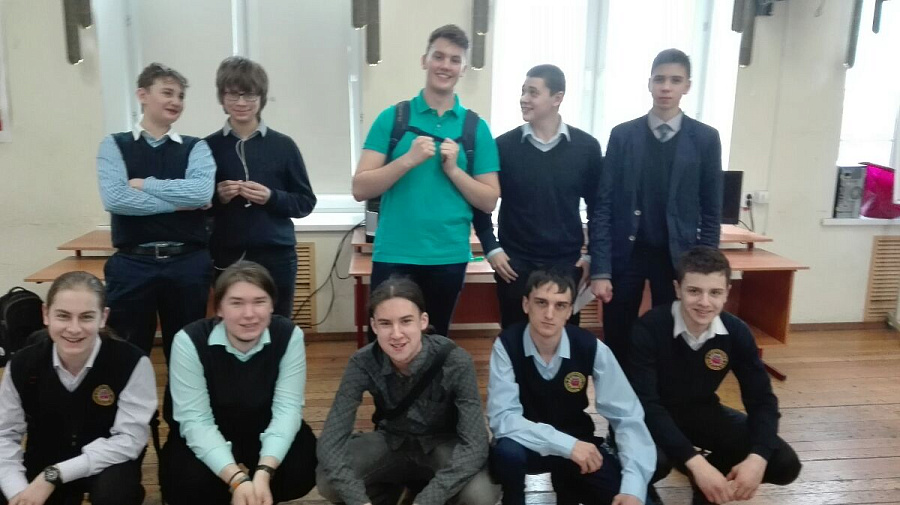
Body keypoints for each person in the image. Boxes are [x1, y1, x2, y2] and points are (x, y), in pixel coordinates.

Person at [352, 24, 500, 339]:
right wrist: (407, 159)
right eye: (439, 56)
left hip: (448, 257)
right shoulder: (393, 119)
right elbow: (360, 188)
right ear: (424, 61)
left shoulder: (476, 128)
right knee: (387, 343)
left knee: (434, 343)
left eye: (455, 60)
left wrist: (454, 171)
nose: (445, 65)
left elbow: (489, 200)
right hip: (394, 254)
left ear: (462, 69)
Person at [625, 247, 801, 504]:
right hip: (649, 418)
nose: (704, 302)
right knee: (656, 461)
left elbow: (762, 400)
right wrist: (694, 461)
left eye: (715, 292)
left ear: (727, 292)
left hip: (701, 411)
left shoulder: (736, 332)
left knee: (784, 462)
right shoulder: (649, 328)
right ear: (677, 289)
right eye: (694, 291)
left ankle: (709, 481)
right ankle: (676, 479)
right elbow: (647, 405)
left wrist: (758, 458)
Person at [589, 49, 723, 362]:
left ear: (687, 86)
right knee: (618, 332)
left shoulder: (705, 138)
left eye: (675, 80)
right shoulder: (623, 135)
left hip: (677, 257)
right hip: (627, 256)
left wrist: (706, 269)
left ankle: (664, 391)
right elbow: (603, 206)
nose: (666, 87)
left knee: (672, 335)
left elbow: (711, 210)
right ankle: (619, 391)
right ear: (649, 83)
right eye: (659, 79)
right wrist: (600, 269)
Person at [316, 276, 499, 505]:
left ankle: (429, 492)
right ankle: (388, 494)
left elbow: (475, 444)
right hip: (391, 441)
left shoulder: (455, 360)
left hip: (442, 445)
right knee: (328, 481)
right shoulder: (362, 362)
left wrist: (427, 500)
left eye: (406, 321)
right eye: (385, 323)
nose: (396, 334)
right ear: (374, 326)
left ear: (423, 321)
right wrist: (358, 501)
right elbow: (331, 440)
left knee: (480, 495)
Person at [488, 269, 656, 505]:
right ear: (526, 304)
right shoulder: (507, 344)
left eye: (560, 305)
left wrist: (633, 487)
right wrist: (566, 445)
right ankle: (513, 498)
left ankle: (571, 489)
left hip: (579, 442)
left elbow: (627, 416)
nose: (549, 314)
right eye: (541, 303)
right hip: (527, 443)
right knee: (507, 453)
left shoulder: (590, 346)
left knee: (634, 500)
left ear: (569, 311)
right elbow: (503, 418)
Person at [159, 261, 317, 505]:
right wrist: (237, 479)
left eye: (259, 301)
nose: (249, 314)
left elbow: (288, 410)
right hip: (211, 426)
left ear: (272, 305)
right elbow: (196, 421)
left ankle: (260, 496)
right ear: (219, 308)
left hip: (263, 424)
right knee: (186, 482)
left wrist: (265, 472)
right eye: (236, 303)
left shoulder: (288, 335)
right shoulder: (189, 340)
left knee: (301, 468)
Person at [0, 271, 157, 505]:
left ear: (103, 318)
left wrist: (55, 475)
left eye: (86, 317)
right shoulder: (22, 364)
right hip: (42, 459)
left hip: (105, 463)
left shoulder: (132, 362)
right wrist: (18, 495)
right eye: (63, 316)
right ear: (46, 314)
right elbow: (5, 435)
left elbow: (130, 439)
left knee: (116, 493)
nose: (74, 329)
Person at [97, 62, 215, 361]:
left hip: (187, 263)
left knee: (187, 352)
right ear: (142, 95)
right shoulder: (114, 145)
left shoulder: (196, 147)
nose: (176, 101)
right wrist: (180, 204)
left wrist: (143, 184)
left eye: (180, 96)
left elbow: (201, 193)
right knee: (126, 351)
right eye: (167, 93)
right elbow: (116, 199)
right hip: (132, 264)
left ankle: (181, 397)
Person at [473, 64, 602, 328]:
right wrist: (491, 247)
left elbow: (598, 207)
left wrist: (591, 255)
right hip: (514, 265)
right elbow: (481, 201)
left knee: (563, 338)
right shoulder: (503, 147)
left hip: (566, 264)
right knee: (514, 336)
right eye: (523, 91)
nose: (524, 99)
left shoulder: (586, 148)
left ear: (557, 98)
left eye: (533, 92)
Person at [206, 56, 317, 319]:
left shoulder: (284, 146)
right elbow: (196, 206)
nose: (241, 102)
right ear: (222, 98)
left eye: (249, 95)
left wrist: (271, 197)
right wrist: (218, 196)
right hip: (226, 255)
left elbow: (305, 203)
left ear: (261, 98)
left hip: (276, 255)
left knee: (278, 325)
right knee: (231, 324)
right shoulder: (207, 147)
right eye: (233, 95)